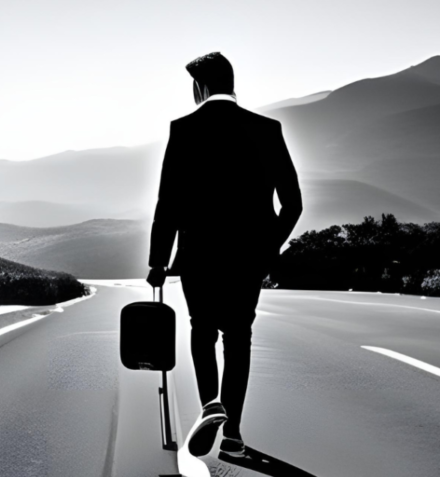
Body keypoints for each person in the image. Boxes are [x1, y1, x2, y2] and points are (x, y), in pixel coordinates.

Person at [146, 51, 303, 458]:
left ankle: (208, 405)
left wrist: (158, 262)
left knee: (202, 329)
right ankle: (232, 433)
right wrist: (267, 249)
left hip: (198, 255)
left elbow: (168, 204)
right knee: (239, 338)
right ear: (232, 83)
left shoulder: (183, 130)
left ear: (199, 87)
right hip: (248, 258)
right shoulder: (267, 129)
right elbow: (293, 204)